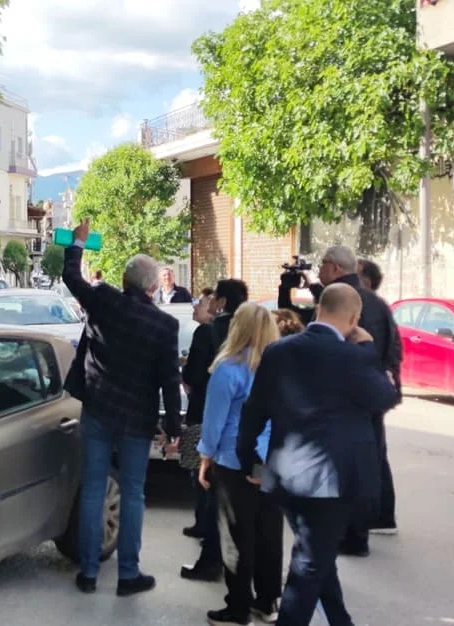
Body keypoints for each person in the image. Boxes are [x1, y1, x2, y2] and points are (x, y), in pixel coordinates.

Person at [237, 284, 400, 626]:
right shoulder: (354, 356)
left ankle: (341, 621)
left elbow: (254, 410)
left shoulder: (278, 351)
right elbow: (385, 397)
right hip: (331, 484)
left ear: (318, 309)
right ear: (354, 319)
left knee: (317, 556)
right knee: (310, 565)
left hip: (286, 477)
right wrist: (368, 348)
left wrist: (248, 458)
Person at [62, 218, 182, 597]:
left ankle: (88, 572)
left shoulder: (104, 299)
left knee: (94, 488)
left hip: (98, 409)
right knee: (132, 493)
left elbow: (71, 278)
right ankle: (128, 574)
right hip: (137, 418)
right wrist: (174, 430)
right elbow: (169, 382)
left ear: (125, 281)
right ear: (151, 288)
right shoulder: (164, 326)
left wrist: (78, 244)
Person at [197, 302, 283, 626]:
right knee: (269, 533)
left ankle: (238, 607)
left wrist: (205, 456)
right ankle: (268, 601)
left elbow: (214, 421)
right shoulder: (279, 369)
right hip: (271, 459)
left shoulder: (228, 368)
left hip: (233, 459)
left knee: (236, 536)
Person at [316, 247, 402, 549]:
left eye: (323, 264)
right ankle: (377, 519)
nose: (319, 270)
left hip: (349, 397)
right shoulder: (376, 302)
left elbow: (335, 350)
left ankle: (354, 533)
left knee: (350, 463)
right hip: (373, 392)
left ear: (336, 268)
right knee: (372, 456)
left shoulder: (341, 300)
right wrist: (385, 382)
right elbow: (393, 348)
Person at [180, 279, 250, 582]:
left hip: (207, 412)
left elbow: (195, 374)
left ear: (221, 301)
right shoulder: (250, 333)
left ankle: (210, 559)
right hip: (245, 426)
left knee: (206, 485)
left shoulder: (208, 332)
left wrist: (187, 373)